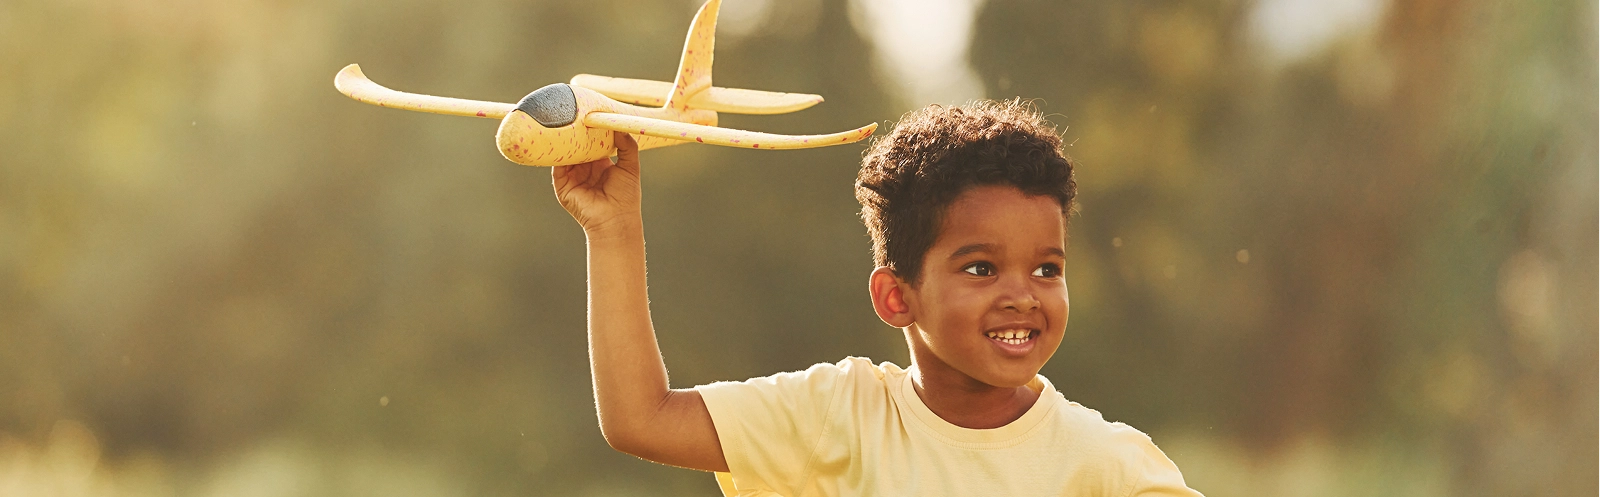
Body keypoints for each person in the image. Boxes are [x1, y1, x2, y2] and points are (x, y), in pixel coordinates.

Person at [552, 100, 1203, 496]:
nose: (1022, 295)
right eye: (981, 266)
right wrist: (614, 230)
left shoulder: (1107, 464)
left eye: (1046, 268)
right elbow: (640, 418)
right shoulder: (837, 416)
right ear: (897, 297)